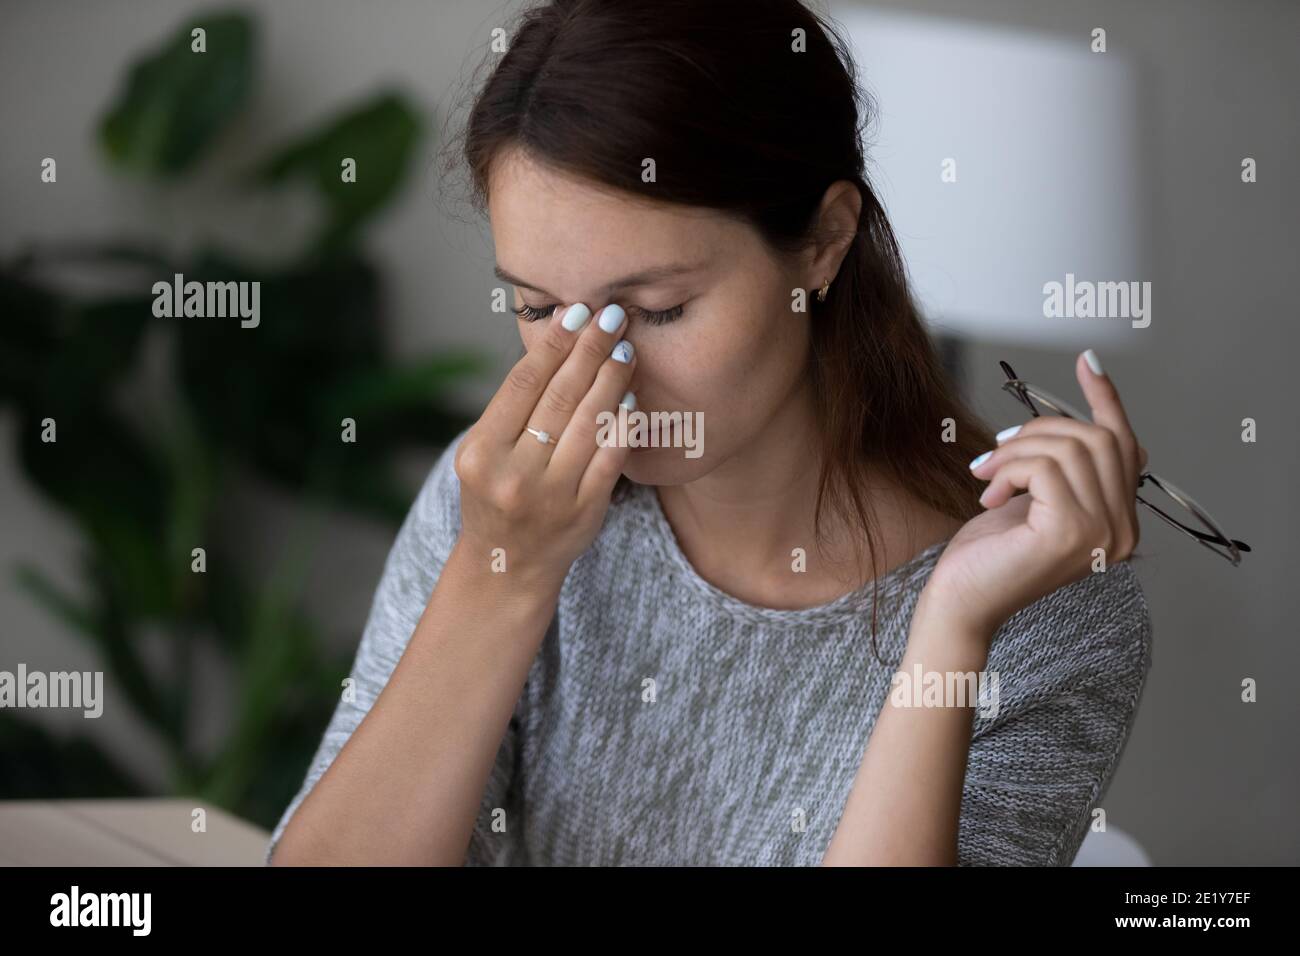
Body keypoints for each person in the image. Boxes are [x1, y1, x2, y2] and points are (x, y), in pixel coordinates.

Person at [267, 0, 1152, 866]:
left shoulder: (1044, 611)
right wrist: (501, 575)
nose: (597, 370)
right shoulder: (505, 508)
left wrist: (952, 625)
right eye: (537, 308)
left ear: (824, 242)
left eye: (658, 309)